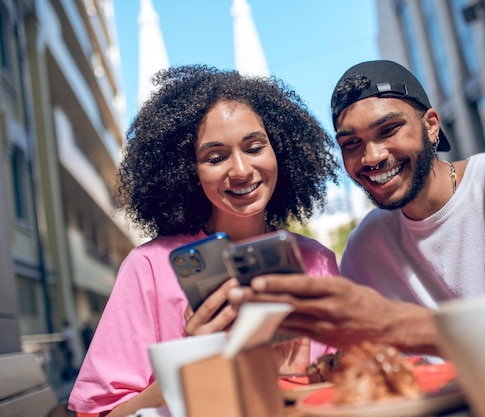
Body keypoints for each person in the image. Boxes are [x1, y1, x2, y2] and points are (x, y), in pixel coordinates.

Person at [227, 60, 485, 414]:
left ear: (431, 125)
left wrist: (399, 324)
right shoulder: (366, 246)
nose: (372, 156)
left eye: (389, 129)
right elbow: (376, 370)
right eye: (352, 144)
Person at [68, 65, 340, 417]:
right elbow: (99, 414)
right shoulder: (149, 267)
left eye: (255, 147)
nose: (241, 170)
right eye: (216, 157)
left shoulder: (317, 261)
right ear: (186, 171)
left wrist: (295, 381)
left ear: (280, 150)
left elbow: (347, 387)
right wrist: (195, 362)